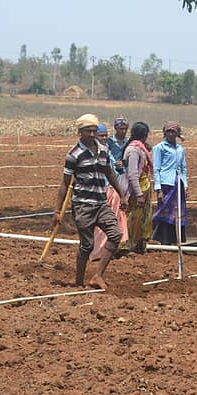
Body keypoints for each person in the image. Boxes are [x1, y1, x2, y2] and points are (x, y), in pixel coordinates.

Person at [52, 114, 128, 289]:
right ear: (80, 132)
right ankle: (78, 282)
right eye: (88, 131)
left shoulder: (103, 150)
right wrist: (57, 211)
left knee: (116, 234)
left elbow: (109, 173)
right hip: (83, 205)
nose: (92, 135)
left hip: (101, 203)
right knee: (87, 245)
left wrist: (122, 195)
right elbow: (65, 183)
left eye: (94, 131)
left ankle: (97, 275)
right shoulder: (73, 155)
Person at [92, 124, 129, 260]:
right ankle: (98, 252)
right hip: (102, 190)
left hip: (112, 189)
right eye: (101, 135)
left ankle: (107, 251)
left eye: (105, 135)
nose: (104, 138)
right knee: (102, 224)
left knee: (113, 222)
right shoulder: (94, 152)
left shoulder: (106, 151)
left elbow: (113, 172)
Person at [151, 121, 188, 244]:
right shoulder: (159, 148)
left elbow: (183, 168)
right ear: (164, 133)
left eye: (173, 132)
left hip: (178, 184)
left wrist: (185, 185)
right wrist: (158, 189)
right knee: (164, 210)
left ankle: (176, 238)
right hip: (166, 184)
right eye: (168, 132)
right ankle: (161, 238)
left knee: (178, 210)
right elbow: (156, 169)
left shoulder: (180, 149)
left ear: (177, 134)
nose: (171, 134)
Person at [122, 121, 153, 254]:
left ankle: (139, 244)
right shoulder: (134, 150)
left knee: (142, 217)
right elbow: (133, 174)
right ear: (145, 135)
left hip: (143, 187)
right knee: (134, 217)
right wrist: (139, 194)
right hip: (137, 189)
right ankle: (127, 245)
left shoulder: (140, 148)